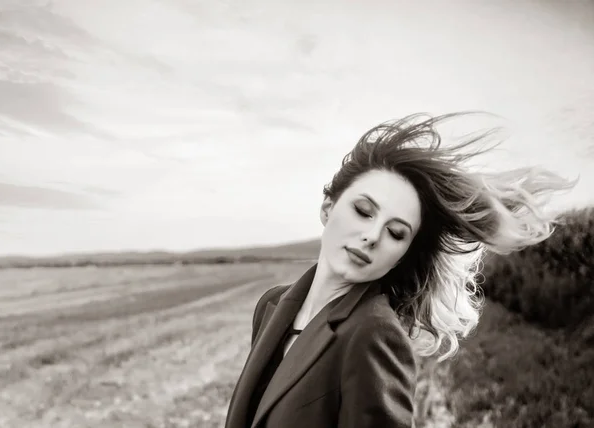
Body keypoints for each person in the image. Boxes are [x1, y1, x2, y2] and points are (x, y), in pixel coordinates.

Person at [224, 112, 577, 428]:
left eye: (396, 233)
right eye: (364, 211)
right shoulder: (271, 305)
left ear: (402, 254)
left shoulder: (373, 335)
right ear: (328, 208)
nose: (372, 237)